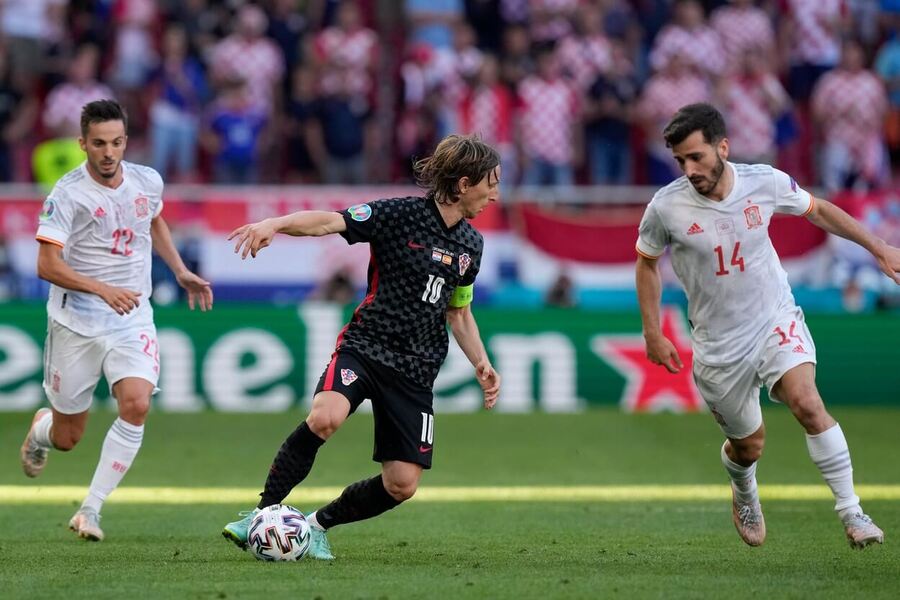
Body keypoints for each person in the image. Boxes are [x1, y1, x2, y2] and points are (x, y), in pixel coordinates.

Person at [221, 133, 501, 560]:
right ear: (464, 183)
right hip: (366, 346)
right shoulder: (398, 215)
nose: (495, 195)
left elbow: (458, 312)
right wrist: (274, 224)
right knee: (324, 416)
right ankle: (261, 514)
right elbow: (329, 222)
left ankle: (315, 527)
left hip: (417, 368)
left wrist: (481, 362)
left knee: (401, 484)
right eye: (491, 183)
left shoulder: (470, 246)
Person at [634, 103, 899, 549]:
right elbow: (646, 264)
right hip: (719, 345)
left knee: (807, 403)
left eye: (696, 156)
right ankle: (743, 488)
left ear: (723, 147)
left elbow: (817, 210)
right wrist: (653, 331)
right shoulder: (666, 207)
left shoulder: (765, 182)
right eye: (680, 160)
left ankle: (852, 511)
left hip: (773, 317)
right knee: (749, 446)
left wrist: (878, 247)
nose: (689, 168)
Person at [19, 99, 213, 542]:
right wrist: (103, 288)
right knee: (69, 437)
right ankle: (40, 431)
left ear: (126, 141)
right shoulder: (67, 195)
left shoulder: (147, 181)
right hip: (76, 322)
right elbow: (46, 265)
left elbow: (154, 220)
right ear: (83, 143)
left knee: (137, 404)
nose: (109, 153)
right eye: (100, 144)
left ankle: (90, 510)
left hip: (132, 317)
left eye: (117, 142)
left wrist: (179, 270)